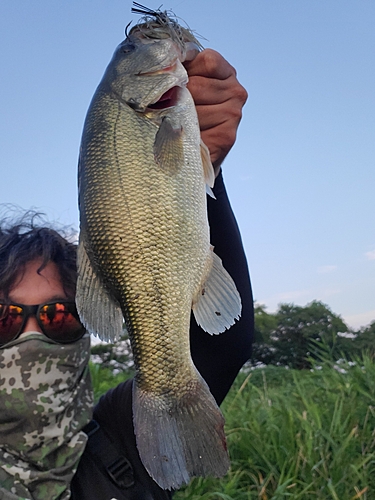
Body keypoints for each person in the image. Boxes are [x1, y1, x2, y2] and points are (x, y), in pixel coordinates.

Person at [0, 49, 253, 500]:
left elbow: (223, 345)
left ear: (84, 323)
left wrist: (204, 169)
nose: (31, 337)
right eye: (3, 318)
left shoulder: (120, 438)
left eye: (58, 316)